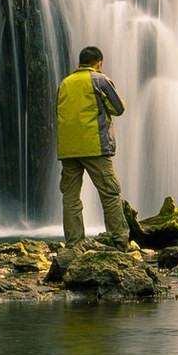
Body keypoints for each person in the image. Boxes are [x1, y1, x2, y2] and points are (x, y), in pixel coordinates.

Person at [56, 45, 132, 251]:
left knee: (70, 197)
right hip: (95, 146)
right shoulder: (100, 80)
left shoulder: (64, 83)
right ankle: (120, 240)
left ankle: (74, 243)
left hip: (68, 149)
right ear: (99, 64)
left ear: (78, 64)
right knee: (110, 193)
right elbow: (119, 108)